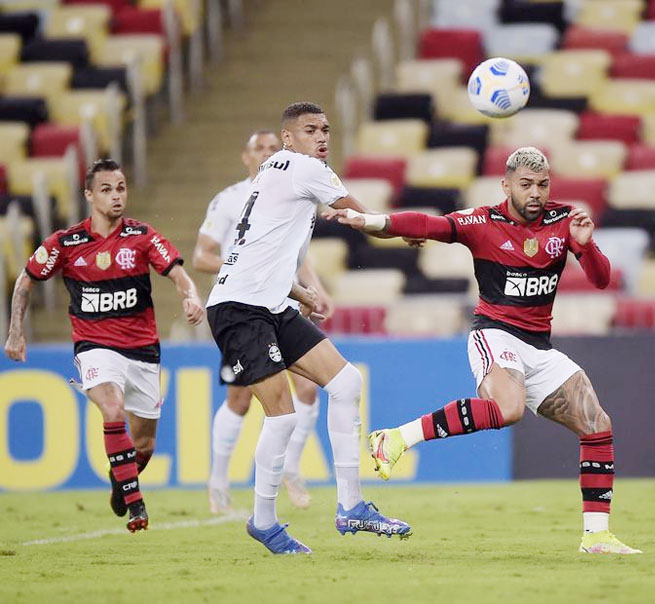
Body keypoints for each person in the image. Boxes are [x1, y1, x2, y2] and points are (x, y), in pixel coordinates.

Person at [331, 146, 641, 555]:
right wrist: (369, 220)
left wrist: (586, 245)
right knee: (508, 409)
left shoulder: (564, 220)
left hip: (539, 347)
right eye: (526, 185)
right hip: (494, 333)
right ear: (506, 185)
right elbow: (427, 224)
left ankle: (597, 536)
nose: (536, 193)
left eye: (543, 185)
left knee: (597, 425)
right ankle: (396, 439)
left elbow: (601, 281)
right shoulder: (482, 222)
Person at [205, 101, 410, 555]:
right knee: (283, 414)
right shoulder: (302, 167)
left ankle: (351, 505)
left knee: (345, 381)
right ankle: (264, 522)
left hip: (269, 303)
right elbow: (359, 216)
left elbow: (261, 250)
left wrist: (301, 293)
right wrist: (405, 230)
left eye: (326, 130)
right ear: (289, 139)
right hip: (240, 309)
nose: (323, 138)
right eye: (311, 129)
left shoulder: (273, 170)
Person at [4, 158, 205, 532]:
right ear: (89, 195)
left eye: (121, 188)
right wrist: (16, 330)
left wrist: (190, 298)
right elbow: (25, 280)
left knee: (143, 447)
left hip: (143, 351)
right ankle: (136, 505)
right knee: (112, 410)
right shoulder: (66, 243)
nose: (116, 196)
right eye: (107, 190)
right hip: (95, 346)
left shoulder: (142, 236)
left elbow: (179, 274)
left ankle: (122, 478)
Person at [194, 129, 333, 513]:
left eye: (275, 148)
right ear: (246, 156)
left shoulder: (289, 191)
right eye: (261, 148)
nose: (269, 153)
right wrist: (244, 268)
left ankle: (291, 467)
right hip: (243, 304)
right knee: (239, 399)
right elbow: (202, 256)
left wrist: (315, 287)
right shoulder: (228, 200)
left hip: (281, 300)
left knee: (307, 387)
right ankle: (218, 479)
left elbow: (296, 254)